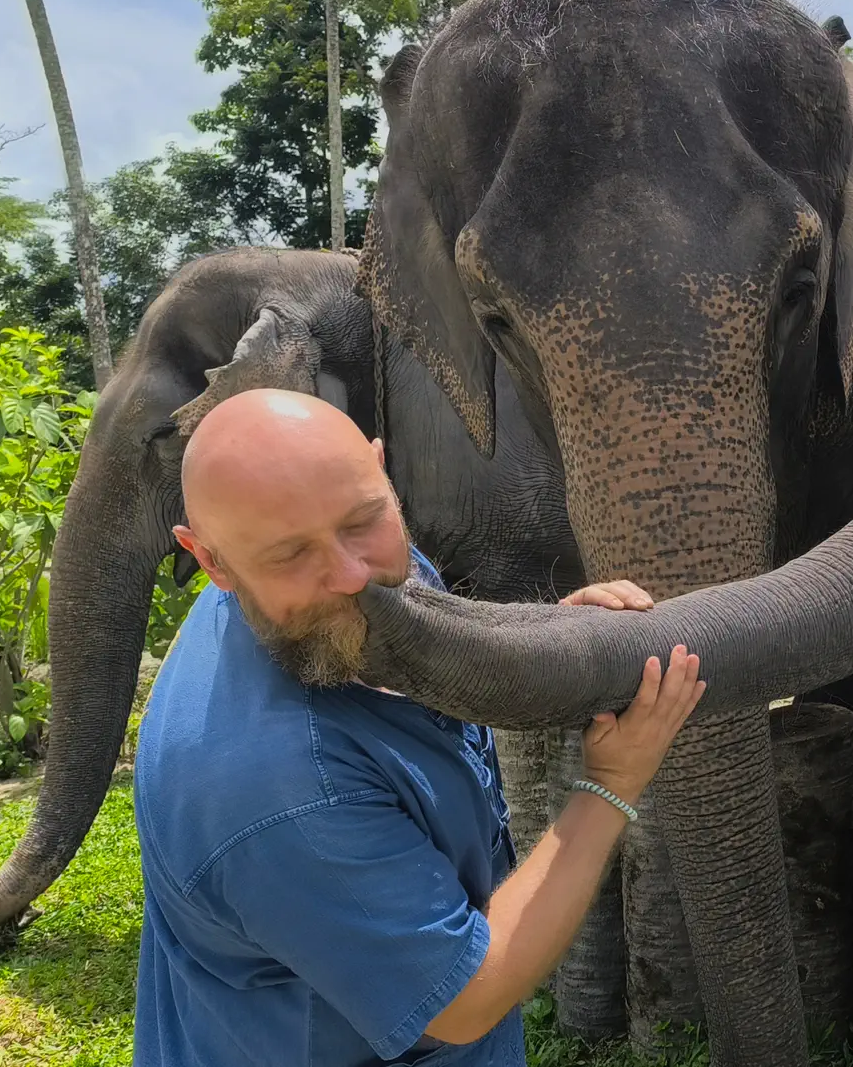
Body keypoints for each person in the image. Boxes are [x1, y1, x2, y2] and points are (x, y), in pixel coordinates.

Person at [133, 388, 702, 1066]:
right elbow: (463, 1001)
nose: (350, 576)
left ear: (382, 473)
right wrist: (610, 785)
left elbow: (435, 649)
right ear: (211, 560)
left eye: (363, 519)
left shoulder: (335, 577)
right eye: (292, 554)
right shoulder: (279, 788)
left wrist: (543, 645)